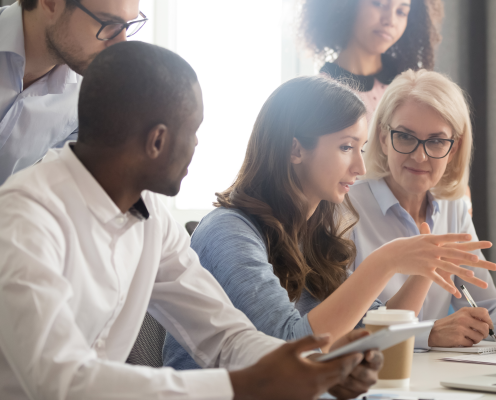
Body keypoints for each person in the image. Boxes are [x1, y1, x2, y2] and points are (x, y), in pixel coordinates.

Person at [0, 41, 382, 400]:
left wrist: (319, 367)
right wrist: (243, 385)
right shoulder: (25, 217)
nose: (197, 146)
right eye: (193, 131)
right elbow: (59, 381)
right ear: (157, 141)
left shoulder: (151, 215)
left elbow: (224, 335)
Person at [162, 74, 495, 369]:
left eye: (360, 149)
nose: (360, 168)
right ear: (296, 149)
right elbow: (290, 347)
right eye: (346, 147)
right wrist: (384, 262)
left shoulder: (312, 233)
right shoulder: (228, 232)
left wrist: (427, 263)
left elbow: (382, 333)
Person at [352, 69, 496, 352]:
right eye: (405, 136)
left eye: (436, 141)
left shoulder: (453, 207)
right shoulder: (345, 208)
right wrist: (429, 333)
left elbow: (485, 302)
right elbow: (348, 324)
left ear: (454, 147)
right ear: (384, 138)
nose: (420, 155)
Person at [0, 0, 145, 185]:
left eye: (127, 25)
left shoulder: (90, 94)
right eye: (107, 23)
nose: (120, 44)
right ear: (51, 3)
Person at [299, 0, 443, 122]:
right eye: (379, 3)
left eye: (401, 12)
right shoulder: (318, 97)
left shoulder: (410, 86)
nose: (390, 21)